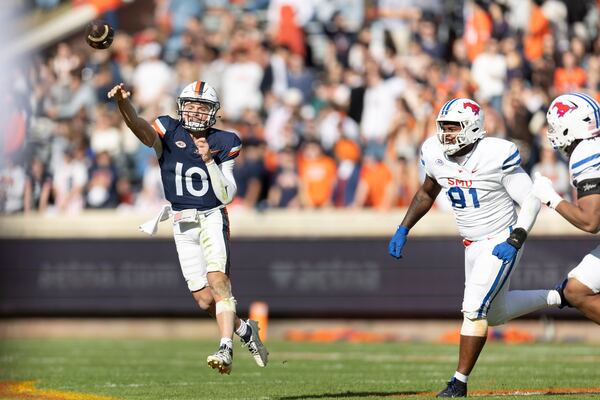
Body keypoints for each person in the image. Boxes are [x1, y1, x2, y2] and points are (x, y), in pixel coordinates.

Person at [388, 98, 563, 397]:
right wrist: (403, 227)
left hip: (501, 239)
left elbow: (530, 199)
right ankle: (560, 294)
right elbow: (427, 191)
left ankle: (459, 382)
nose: (446, 134)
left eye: (454, 127)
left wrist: (516, 239)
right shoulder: (434, 152)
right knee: (494, 314)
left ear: (472, 128)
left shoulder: (495, 154)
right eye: (443, 127)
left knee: (472, 309)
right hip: (471, 244)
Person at [107, 80, 268, 375]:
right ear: (181, 107)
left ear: (212, 112)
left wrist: (209, 160)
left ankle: (225, 347)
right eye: (190, 105)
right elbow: (139, 127)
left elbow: (226, 195)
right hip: (182, 221)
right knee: (204, 298)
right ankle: (245, 330)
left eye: (201, 106)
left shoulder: (225, 142)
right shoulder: (168, 131)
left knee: (218, 279)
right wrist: (122, 103)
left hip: (211, 216)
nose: (194, 111)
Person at [532, 92, 600, 323]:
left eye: (556, 126)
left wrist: (551, 198)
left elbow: (591, 221)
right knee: (576, 290)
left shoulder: (586, 152)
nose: (552, 133)